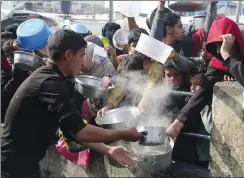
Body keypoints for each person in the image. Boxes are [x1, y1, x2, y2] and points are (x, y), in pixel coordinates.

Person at [1, 29, 143, 178]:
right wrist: (124, 134)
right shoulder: (50, 83)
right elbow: (81, 132)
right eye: (81, 56)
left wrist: (109, 150)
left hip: (25, 165)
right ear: (69, 55)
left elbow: (72, 131)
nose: (82, 63)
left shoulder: (53, 78)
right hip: (13, 168)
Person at [166, 16, 244, 139]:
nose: (219, 51)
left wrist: (227, 56)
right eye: (216, 47)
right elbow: (203, 91)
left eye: (223, 45)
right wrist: (178, 122)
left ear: (235, 42)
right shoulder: (218, 62)